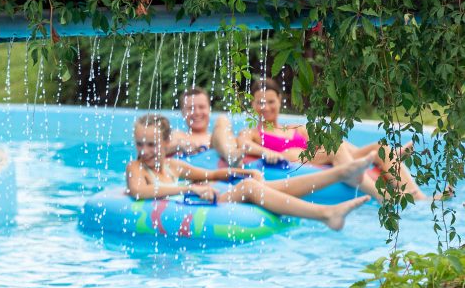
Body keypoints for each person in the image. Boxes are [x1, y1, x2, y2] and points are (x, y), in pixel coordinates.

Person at [127, 114, 371, 230]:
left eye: (151, 144)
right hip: (196, 203)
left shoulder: (173, 165)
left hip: (203, 199)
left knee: (260, 185)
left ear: (166, 142)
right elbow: (139, 191)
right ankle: (325, 213)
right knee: (250, 190)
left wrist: (243, 173)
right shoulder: (136, 167)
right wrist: (188, 188)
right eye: (140, 144)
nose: (144, 150)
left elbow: (210, 175)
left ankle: (339, 173)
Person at [236, 77, 432, 202]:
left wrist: (369, 154)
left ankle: (418, 196)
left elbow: (337, 144)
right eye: (260, 102)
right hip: (294, 161)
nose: (266, 107)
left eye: (271, 101)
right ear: (252, 104)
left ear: (279, 100)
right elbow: (243, 144)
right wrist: (267, 152)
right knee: (331, 150)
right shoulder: (253, 132)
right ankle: (384, 197)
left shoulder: (296, 129)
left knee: (379, 147)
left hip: (317, 156)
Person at [170, 87, 243, 165]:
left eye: (201, 107)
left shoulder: (222, 136)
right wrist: (180, 146)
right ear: (183, 112)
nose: (197, 112)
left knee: (222, 120)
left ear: (209, 109)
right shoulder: (177, 136)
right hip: (192, 170)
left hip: (221, 163)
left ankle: (230, 155)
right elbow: (161, 149)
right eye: (191, 108)